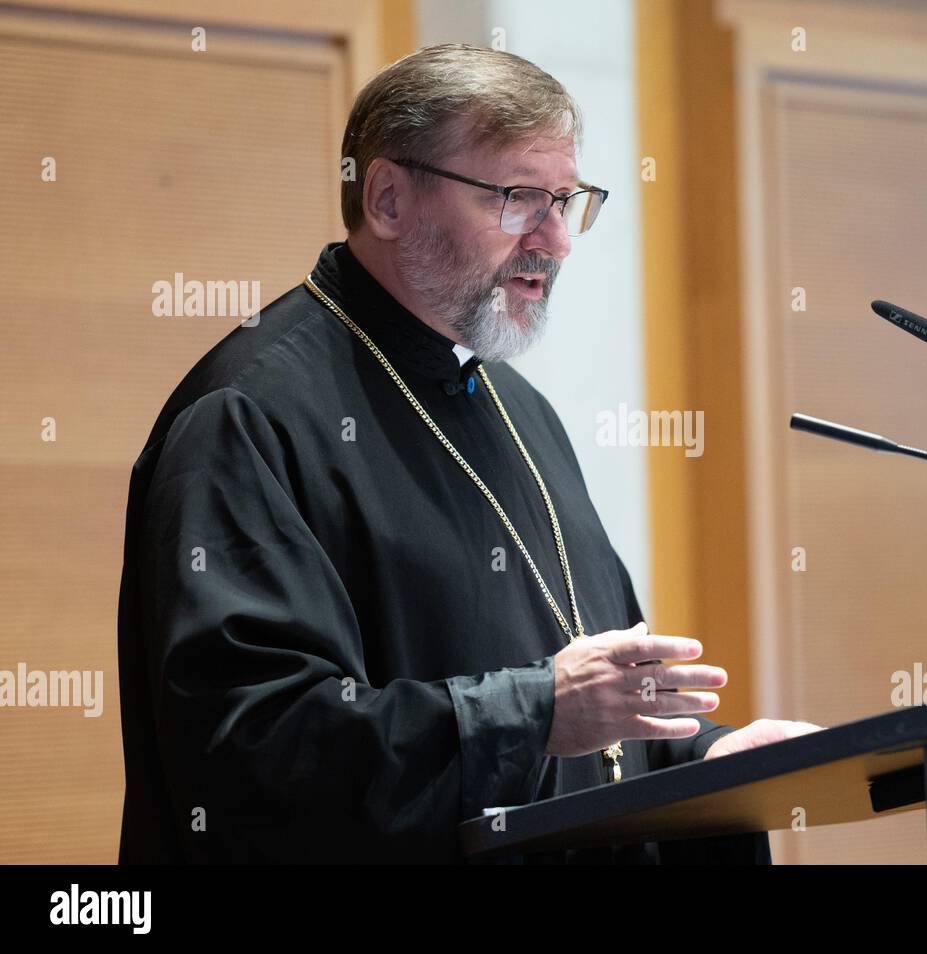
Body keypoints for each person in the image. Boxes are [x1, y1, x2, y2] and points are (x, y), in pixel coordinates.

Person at [116, 43, 819, 864]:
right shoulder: (248, 415)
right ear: (387, 197)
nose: (555, 241)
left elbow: (592, 720)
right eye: (518, 197)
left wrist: (703, 764)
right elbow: (257, 744)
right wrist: (533, 714)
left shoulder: (523, 414)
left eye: (568, 200)